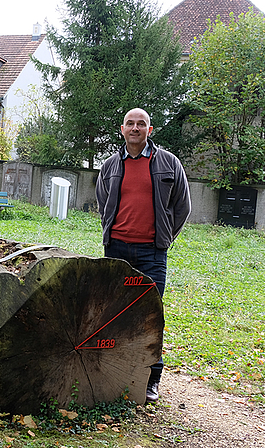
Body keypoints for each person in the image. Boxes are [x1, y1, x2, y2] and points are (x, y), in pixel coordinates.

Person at [96, 108, 191, 403]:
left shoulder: (168, 163)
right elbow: (102, 203)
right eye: (130, 124)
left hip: (152, 254)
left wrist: (163, 237)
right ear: (121, 129)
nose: (135, 128)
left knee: (150, 317)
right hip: (117, 251)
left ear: (150, 130)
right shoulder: (111, 165)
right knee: (114, 314)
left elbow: (182, 206)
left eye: (141, 124)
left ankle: (151, 380)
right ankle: (114, 374)